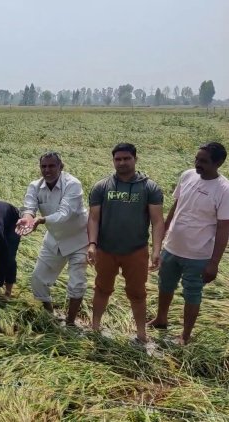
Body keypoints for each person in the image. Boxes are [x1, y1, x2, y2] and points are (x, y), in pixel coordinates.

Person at [148, 142, 229, 345]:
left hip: (198, 255)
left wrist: (214, 263)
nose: (197, 164)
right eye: (197, 159)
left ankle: (185, 335)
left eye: (204, 161)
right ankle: (161, 319)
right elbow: (177, 205)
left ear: (219, 163)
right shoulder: (187, 176)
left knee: (192, 292)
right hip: (172, 246)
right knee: (165, 284)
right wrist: (163, 234)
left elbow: (223, 228)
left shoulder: (224, 190)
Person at [88, 143, 164, 344]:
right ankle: (95, 327)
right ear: (113, 161)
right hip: (106, 250)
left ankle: (141, 334)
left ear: (135, 159)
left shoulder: (149, 188)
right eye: (118, 159)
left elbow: (157, 221)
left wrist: (156, 250)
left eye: (126, 158)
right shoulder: (101, 187)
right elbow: (93, 218)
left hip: (136, 251)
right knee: (102, 289)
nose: (122, 163)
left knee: (137, 293)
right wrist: (92, 244)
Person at [16, 152, 89, 326]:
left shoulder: (72, 184)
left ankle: (70, 322)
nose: (47, 170)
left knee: (76, 283)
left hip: (79, 239)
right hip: (54, 238)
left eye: (51, 166)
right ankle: (50, 315)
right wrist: (27, 218)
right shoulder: (35, 186)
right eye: (43, 166)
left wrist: (41, 220)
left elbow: (65, 213)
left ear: (61, 166)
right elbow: (29, 207)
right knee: (38, 279)